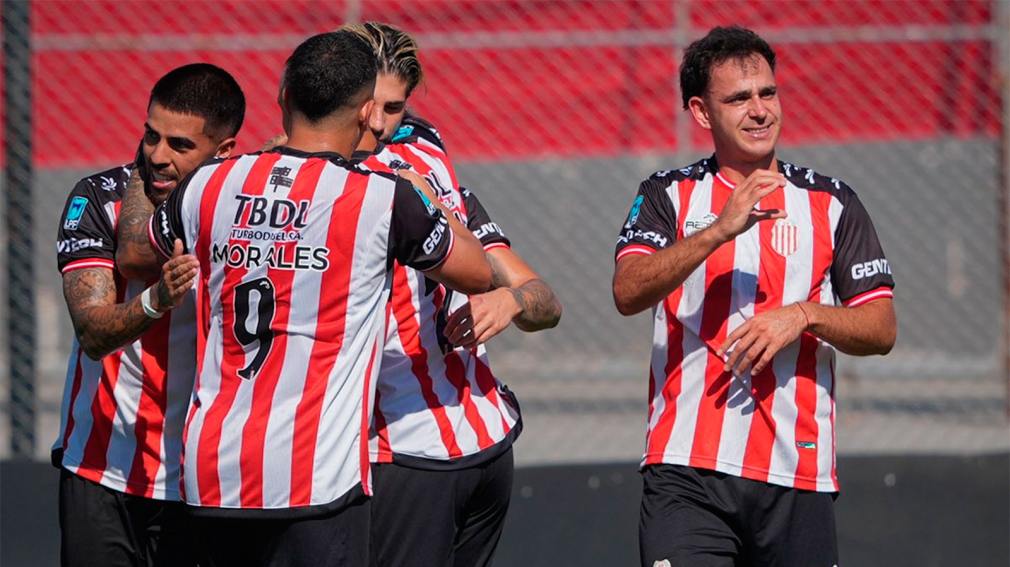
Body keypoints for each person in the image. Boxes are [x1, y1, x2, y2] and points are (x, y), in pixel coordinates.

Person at [116, 30, 491, 567]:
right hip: (315, 478)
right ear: (366, 113)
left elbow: (136, 252)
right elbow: (477, 272)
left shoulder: (210, 184)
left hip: (212, 472)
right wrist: (428, 193)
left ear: (282, 97)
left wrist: (145, 160)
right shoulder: (382, 198)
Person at [611, 26, 897, 567]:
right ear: (701, 113)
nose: (760, 110)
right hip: (687, 468)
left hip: (796, 473)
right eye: (739, 99)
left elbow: (881, 328)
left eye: (768, 93)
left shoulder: (833, 202)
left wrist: (804, 315)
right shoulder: (667, 194)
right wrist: (719, 230)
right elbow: (627, 290)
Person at [339, 22, 562, 567]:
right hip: (401, 451)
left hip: (476, 443)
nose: (379, 123)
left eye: (395, 108)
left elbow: (544, 301)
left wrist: (512, 300)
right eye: (369, 105)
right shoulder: (328, 180)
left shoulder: (425, 160)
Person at [54, 63, 245, 567]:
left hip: (203, 479)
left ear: (223, 150)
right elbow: (93, 332)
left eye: (180, 145)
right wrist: (155, 300)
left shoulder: (245, 213)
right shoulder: (99, 198)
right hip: (101, 471)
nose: (158, 156)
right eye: (151, 135)